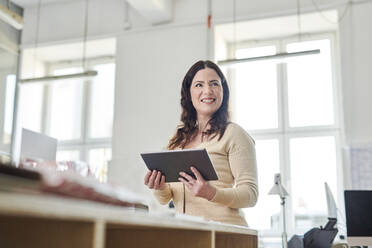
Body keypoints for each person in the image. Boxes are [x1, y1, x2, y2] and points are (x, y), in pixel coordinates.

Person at [144, 60, 258, 226]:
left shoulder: (233, 134)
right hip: (187, 234)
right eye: (199, 85)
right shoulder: (178, 139)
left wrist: (211, 193)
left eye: (214, 84)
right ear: (189, 94)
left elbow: (250, 194)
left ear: (223, 91)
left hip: (225, 234)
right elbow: (166, 198)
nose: (207, 90)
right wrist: (159, 187)